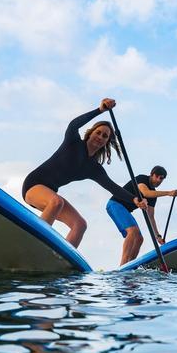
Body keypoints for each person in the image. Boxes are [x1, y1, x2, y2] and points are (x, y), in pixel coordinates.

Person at [23, 98, 147, 248]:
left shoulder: (93, 168)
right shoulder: (73, 142)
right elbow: (73, 124)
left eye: (105, 136)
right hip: (34, 185)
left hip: (50, 193)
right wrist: (99, 110)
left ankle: (61, 261)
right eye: (98, 132)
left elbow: (112, 188)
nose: (100, 137)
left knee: (80, 225)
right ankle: (33, 246)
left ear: (107, 142)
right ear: (90, 133)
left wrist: (134, 199)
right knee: (57, 202)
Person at [106, 165, 177, 265]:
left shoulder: (154, 195)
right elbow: (146, 193)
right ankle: (122, 265)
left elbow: (151, 216)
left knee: (139, 239)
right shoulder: (142, 179)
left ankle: (130, 265)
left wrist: (157, 236)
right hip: (115, 204)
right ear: (151, 175)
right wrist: (168, 193)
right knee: (133, 232)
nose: (158, 180)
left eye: (161, 178)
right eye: (157, 176)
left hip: (124, 210)